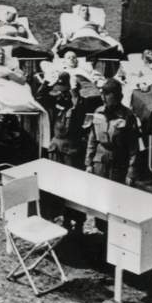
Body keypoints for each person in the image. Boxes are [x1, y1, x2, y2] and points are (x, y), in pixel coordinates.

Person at [85, 78, 142, 189]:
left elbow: (134, 147)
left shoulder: (128, 116)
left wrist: (131, 172)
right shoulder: (98, 112)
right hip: (99, 162)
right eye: (103, 94)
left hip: (119, 163)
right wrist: (88, 163)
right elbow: (92, 140)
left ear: (117, 96)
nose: (103, 97)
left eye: (107, 94)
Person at [48, 76, 88, 232]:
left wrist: (74, 91)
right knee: (56, 187)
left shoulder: (77, 107)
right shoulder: (54, 107)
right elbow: (40, 96)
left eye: (63, 93)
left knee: (74, 188)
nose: (59, 96)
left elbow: (79, 105)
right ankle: (62, 218)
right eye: (58, 93)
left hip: (71, 154)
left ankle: (78, 222)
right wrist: (47, 82)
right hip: (55, 152)